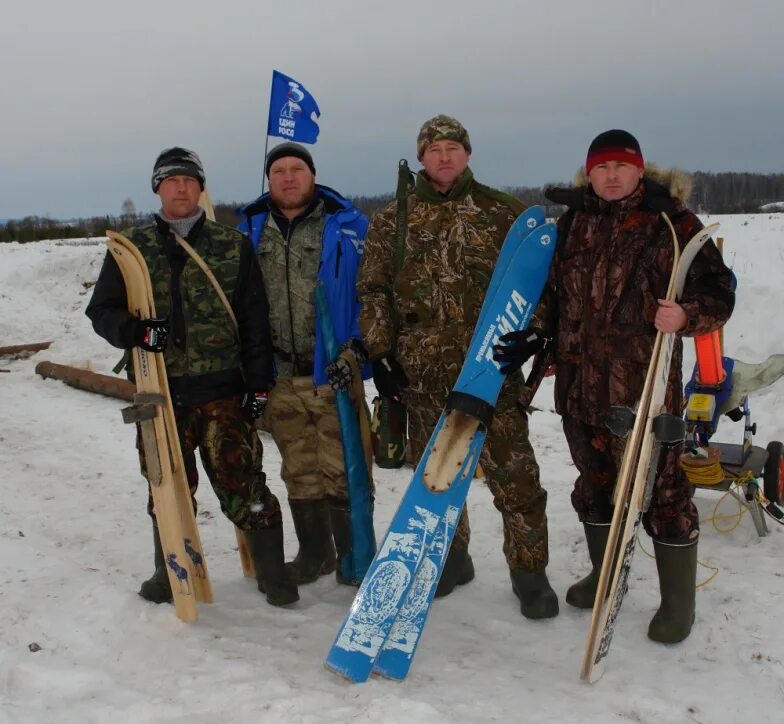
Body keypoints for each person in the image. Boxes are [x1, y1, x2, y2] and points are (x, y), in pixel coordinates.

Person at [496, 129, 735, 642]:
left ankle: (678, 606)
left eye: (620, 167)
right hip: (581, 389)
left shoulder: (673, 224)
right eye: (600, 167)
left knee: (664, 492)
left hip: (645, 391)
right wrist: (544, 337)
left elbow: (719, 293)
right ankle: (605, 578)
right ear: (589, 172)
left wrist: (686, 314)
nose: (610, 175)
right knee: (594, 485)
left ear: (639, 170)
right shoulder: (573, 224)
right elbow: (552, 295)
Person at [355, 115, 558, 619]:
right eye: (434, 149)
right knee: (438, 481)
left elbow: (541, 284)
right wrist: (381, 355)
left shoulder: (504, 214)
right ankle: (452, 560)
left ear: (468, 154)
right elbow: (373, 290)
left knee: (516, 480)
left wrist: (532, 332)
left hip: (492, 375)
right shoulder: (392, 220)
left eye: (453, 148)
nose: (444, 157)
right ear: (420, 157)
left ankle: (530, 573)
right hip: (422, 379)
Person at [86, 147, 298, 607]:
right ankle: (171, 574)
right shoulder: (130, 249)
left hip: (223, 390)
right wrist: (136, 331)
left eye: (189, 180)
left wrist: (259, 384)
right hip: (160, 393)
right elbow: (100, 310)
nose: (180, 188)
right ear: (157, 188)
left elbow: (254, 320)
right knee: (166, 488)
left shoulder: (231, 245)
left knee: (243, 481)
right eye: (170, 180)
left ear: (200, 189)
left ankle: (272, 572)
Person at [237, 142, 371, 586]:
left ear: (312, 176)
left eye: (298, 169)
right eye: (279, 170)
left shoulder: (348, 226)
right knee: (298, 469)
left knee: (344, 467)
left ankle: (354, 557)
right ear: (269, 179)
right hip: (279, 377)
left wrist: (357, 353)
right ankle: (315, 554)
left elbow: (373, 297)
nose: (289, 177)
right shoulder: (249, 231)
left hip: (332, 372)